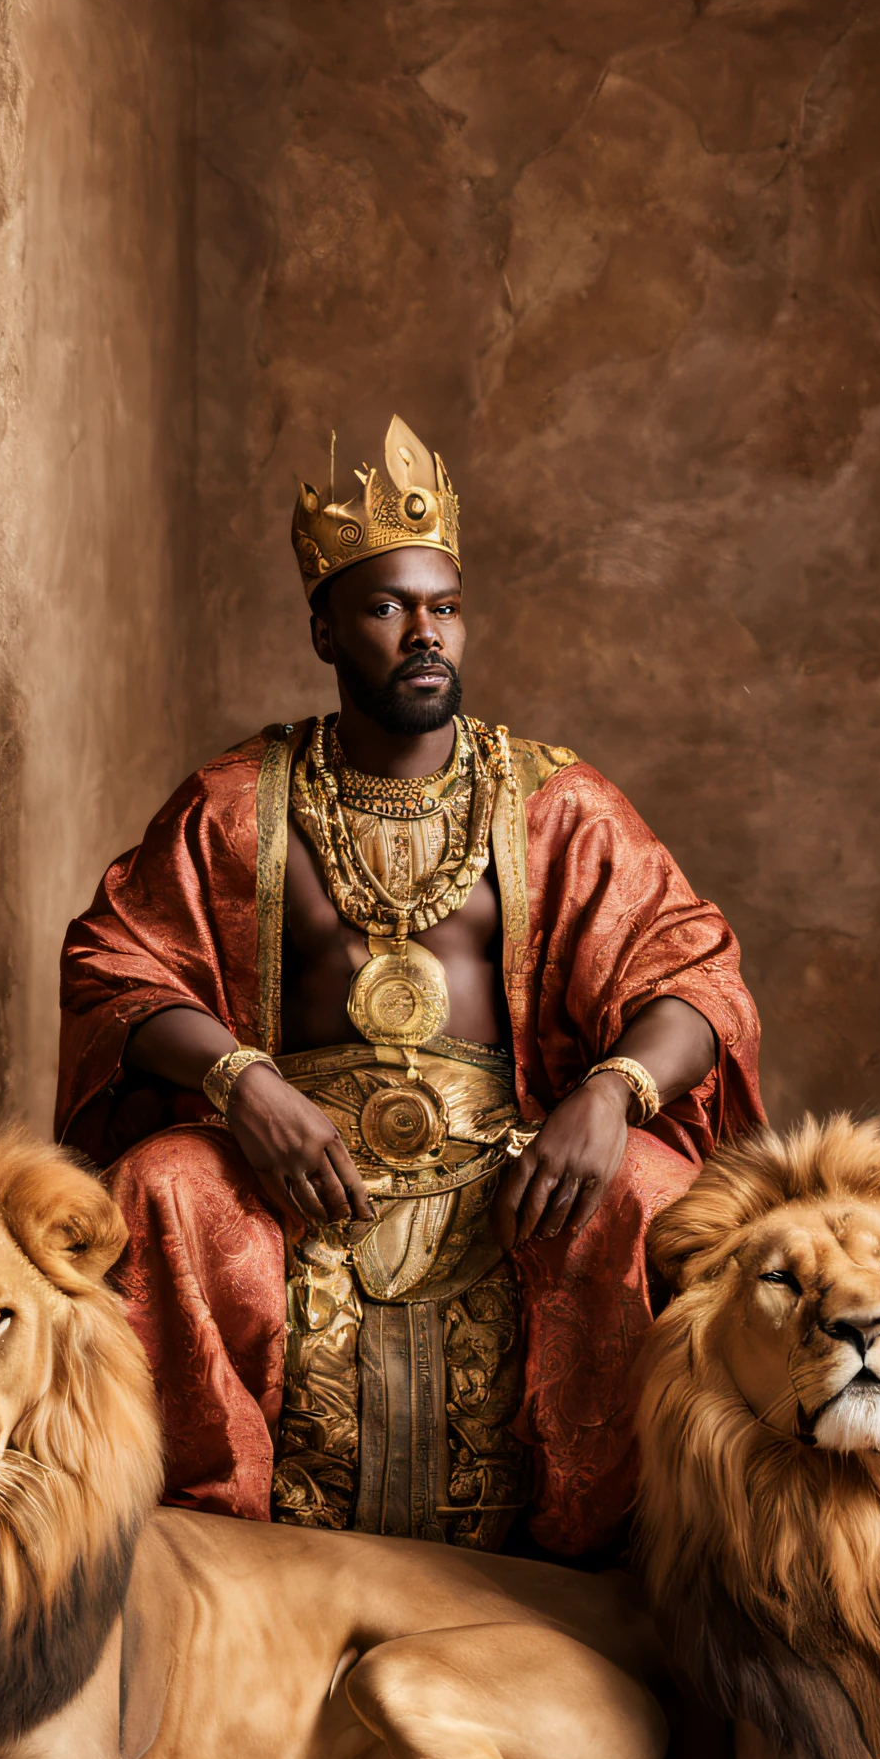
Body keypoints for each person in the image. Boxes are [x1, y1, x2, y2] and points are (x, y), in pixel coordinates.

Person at [57, 416, 762, 1556]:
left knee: (653, 1191)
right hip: (293, 1166)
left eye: (445, 605)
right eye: (388, 608)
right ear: (325, 628)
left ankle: (628, 1561)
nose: (425, 632)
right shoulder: (237, 801)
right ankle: (206, 1556)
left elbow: (692, 968)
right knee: (160, 1184)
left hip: (513, 1167)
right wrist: (240, 1083)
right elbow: (114, 959)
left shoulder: (554, 803)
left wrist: (609, 1094)